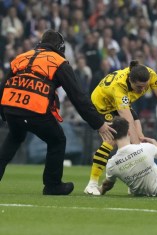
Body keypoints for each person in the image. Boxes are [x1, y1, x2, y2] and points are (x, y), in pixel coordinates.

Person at [0, 29, 115, 195]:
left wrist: (4, 113)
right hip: (35, 109)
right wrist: (99, 124)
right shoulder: (59, 62)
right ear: (60, 47)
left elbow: (3, 86)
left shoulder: (21, 57)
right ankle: (52, 185)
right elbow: (78, 97)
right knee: (57, 140)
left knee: (14, 137)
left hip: (11, 108)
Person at [84, 60, 157, 195]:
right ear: (130, 81)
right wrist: (138, 151)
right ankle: (92, 184)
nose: (143, 90)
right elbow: (128, 120)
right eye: (139, 87)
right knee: (112, 140)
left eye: (145, 87)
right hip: (102, 107)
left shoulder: (149, 74)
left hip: (122, 104)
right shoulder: (119, 87)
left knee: (140, 136)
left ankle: (134, 184)